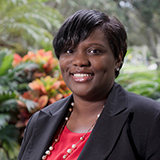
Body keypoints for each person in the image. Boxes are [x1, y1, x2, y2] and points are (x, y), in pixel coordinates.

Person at [18, 10, 160, 160]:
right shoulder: (39, 121)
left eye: (94, 51)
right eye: (69, 50)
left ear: (117, 59)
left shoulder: (150, 119)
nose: (79, 61)